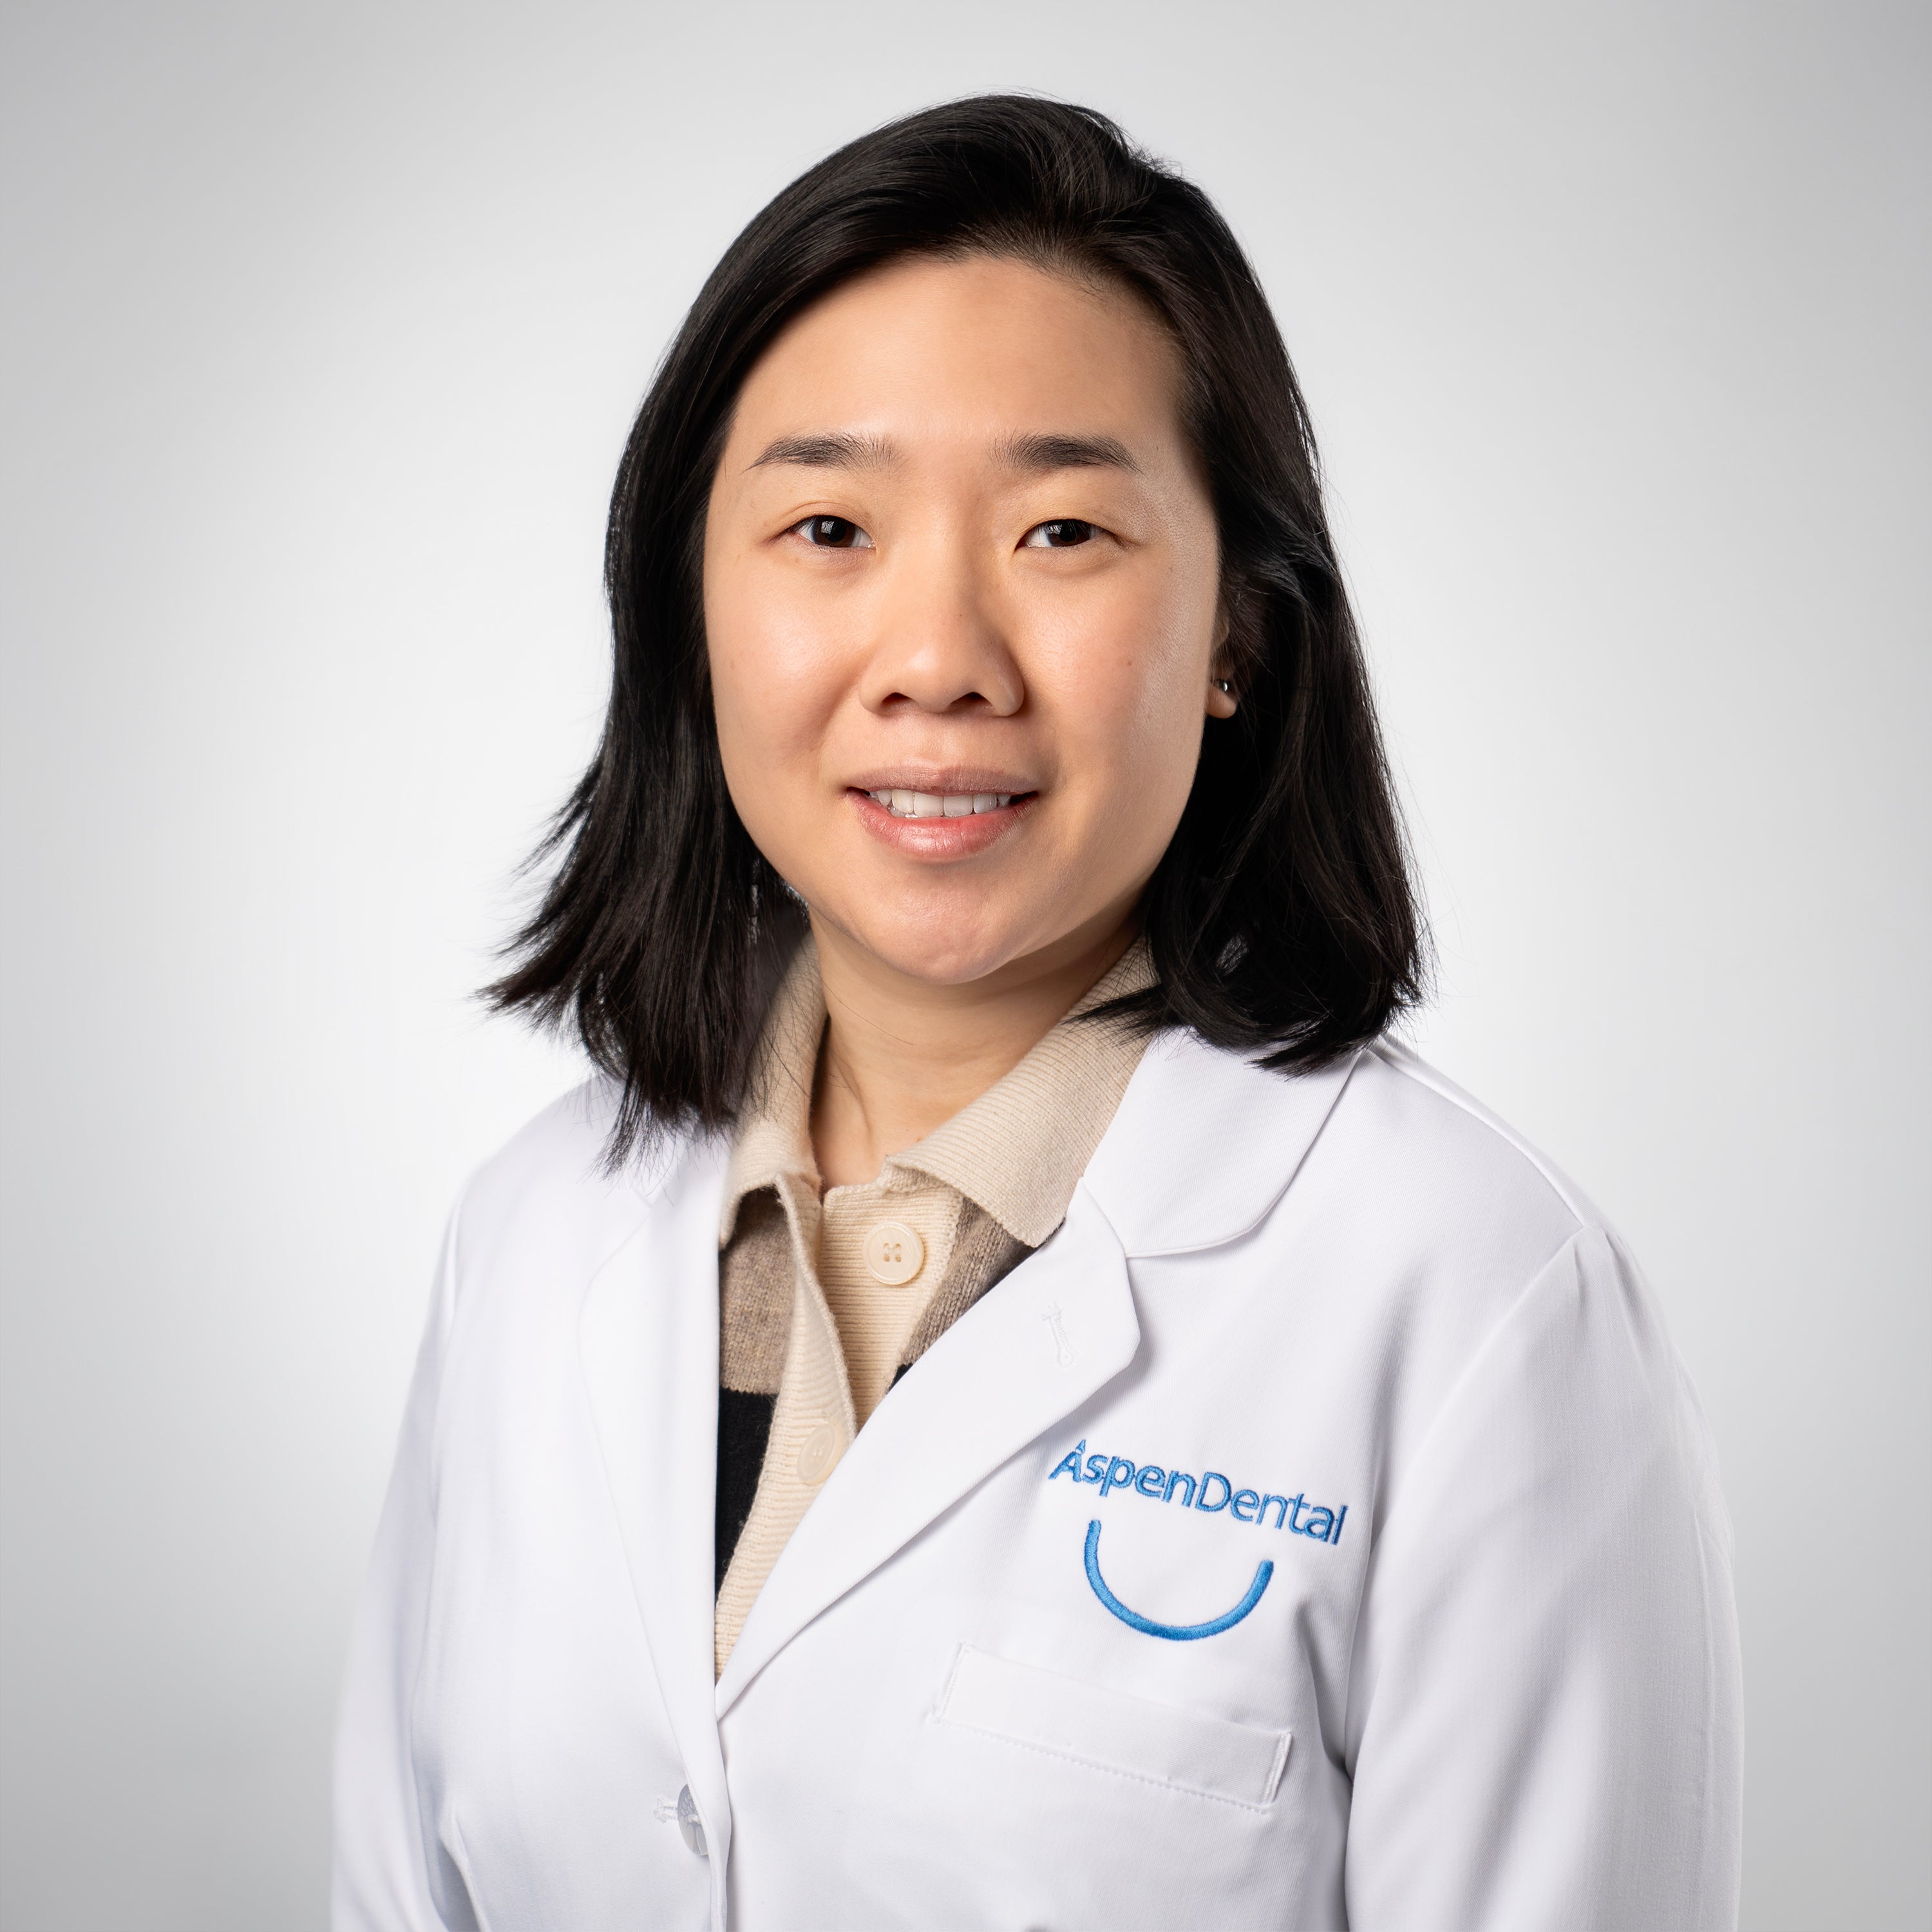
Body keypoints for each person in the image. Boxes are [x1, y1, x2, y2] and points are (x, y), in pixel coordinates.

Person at [332, 96, 1741, 1931]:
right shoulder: (532, 1238)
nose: (938, 663)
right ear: (691, 610)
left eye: (1063, 531)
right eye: (828, 526)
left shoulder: (1477, 1301)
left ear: (1238, 635)